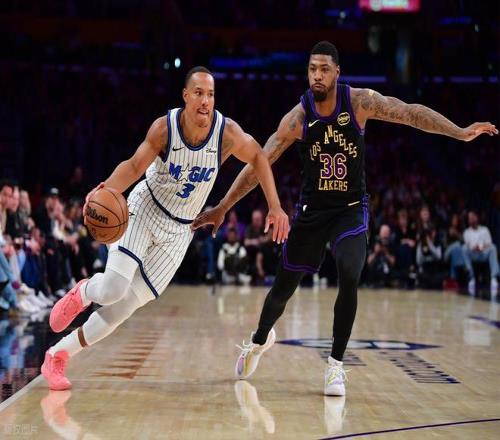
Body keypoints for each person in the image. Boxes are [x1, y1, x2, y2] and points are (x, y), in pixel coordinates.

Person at [192, 41, 498, 396]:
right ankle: (259, 339)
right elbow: (258, 164)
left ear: (337, 72)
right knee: (281, 291)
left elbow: (409, 112)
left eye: (324, 69)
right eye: (312, 69)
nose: (317, 76)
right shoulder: (298, 117)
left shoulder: (359, 102)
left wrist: (458, 131)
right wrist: (223, 206)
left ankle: (335, 365)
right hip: (312, 211)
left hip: (350, 209)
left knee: (350, 274)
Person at [41, 66, 289, 390]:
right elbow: (133, 166)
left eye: (211, 94)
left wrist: (274, 206)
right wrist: (108, 189)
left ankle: (57, 355)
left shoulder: (226, 133)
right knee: (113, 289)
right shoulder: (164, 128)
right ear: (185, 96)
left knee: (122, 309)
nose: (205, 101)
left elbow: (258, 157)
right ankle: (84, 292)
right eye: (198, 93)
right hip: (146, 209)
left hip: (180, 231)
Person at [462, 210, 499, 297]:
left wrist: (481, 247)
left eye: (472, 217)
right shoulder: (466, 232)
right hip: (473, 254)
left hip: (483, 254)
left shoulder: (485, 230)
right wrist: (474, 248)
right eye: (469, 218)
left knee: (493, 248)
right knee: (464, 248)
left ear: (476, 217)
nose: (471, 219)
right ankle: (471, 277)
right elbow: (468, 245)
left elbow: (489, 243)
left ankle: (494, 278)